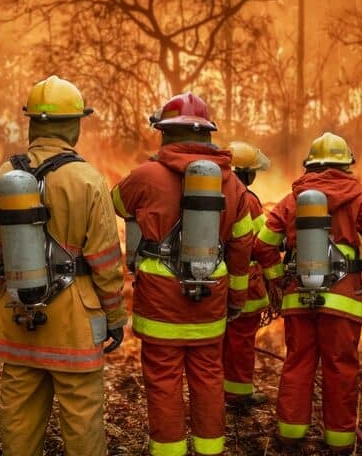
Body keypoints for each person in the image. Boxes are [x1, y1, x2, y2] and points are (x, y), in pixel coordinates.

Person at [0, 75, 126, 456]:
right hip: (75, 327)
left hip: (17, 321)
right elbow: (107, 263)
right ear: (75, 125)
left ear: (31, 123)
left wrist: (3, 303)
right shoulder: (89, 180)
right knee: (82, 425)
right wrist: (114, 317)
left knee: (19, 423)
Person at [112, 92, 255, 456]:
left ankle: (169, 451)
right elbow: (241, 249)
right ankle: (209, 449)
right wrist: (236, 300)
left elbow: (115, 202)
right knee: (209, 377)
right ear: (208, 136)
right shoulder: (234, 185)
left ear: (164, 134)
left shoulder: (145, 176)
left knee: (162, 380)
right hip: (211, 301)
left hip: (160, 302)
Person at [255, 132, 362, 452]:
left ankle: (290, 436)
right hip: (344, 300)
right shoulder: (358, 199)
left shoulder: (293, 199)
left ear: (309, 166)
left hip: (298, 297)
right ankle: (339, 442)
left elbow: (263, 244)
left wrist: (279, 279)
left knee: (298, 363)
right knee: (340, 368)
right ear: (346, 165)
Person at [221, 141, 272, 408]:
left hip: (216, 278)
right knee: (241, 339)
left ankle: (217, 391)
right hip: (245, 280)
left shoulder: (214, 193)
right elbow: (263, 242)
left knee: (221, 340)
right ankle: (239, 394)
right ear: (245, 173)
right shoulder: (247, 199)